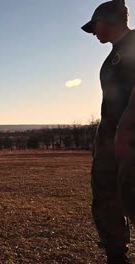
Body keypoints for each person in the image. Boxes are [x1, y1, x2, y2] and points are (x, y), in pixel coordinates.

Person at [82, 0, 135, 263]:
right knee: (107, 199)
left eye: (95, 26)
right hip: (111, 141)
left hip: (129, 141)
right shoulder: (115, 53)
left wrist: (125, 128)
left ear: (108, 21)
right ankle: (116, 255)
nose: (93, 32)